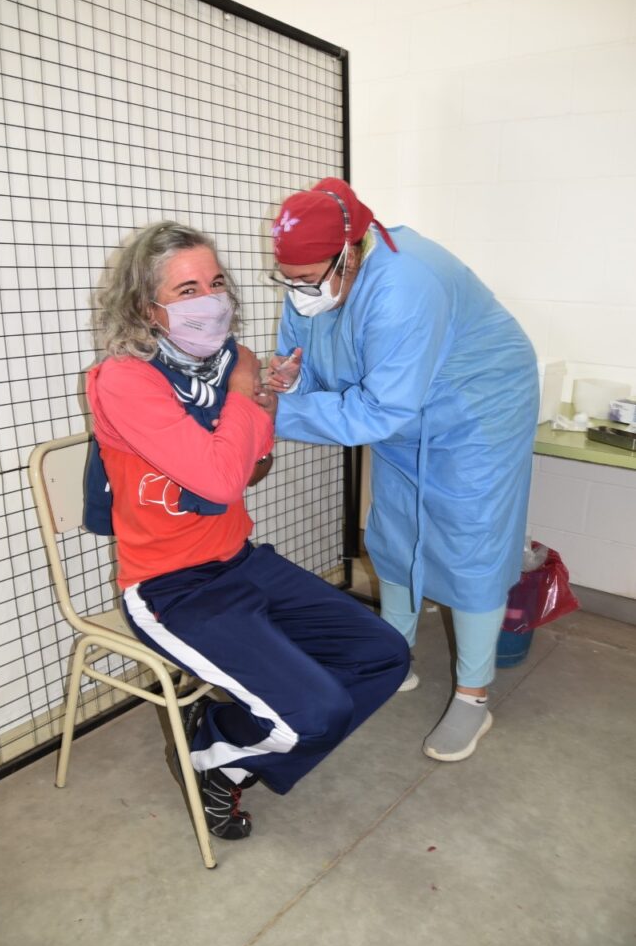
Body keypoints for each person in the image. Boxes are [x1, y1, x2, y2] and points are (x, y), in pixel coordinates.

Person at [85, 220, 409, 841]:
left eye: (215, 283)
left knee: (383, 656)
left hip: (239, 560)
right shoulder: (124, 378)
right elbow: (217, 482)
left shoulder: (230, 364)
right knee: (316, 712)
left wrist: (264, 401)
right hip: (169, 588)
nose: (210, 300)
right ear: (146, 308)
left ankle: (228, 754)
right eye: (186, 290)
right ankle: (214, 751)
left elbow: (252, 468)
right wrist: (243, 393)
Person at [267, 178, 539, 763]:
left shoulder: (405, 285)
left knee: (470, 543)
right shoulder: (313, 282)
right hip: (401, 415)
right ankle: (392, 657)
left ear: (350, 253)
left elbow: (378, 410)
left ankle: (473, 697)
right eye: (286, 278)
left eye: (307, 277)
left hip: (477, 410)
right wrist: (289, 381)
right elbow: (303, 361)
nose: (297, 292)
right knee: (393, 529)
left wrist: (270, 416)